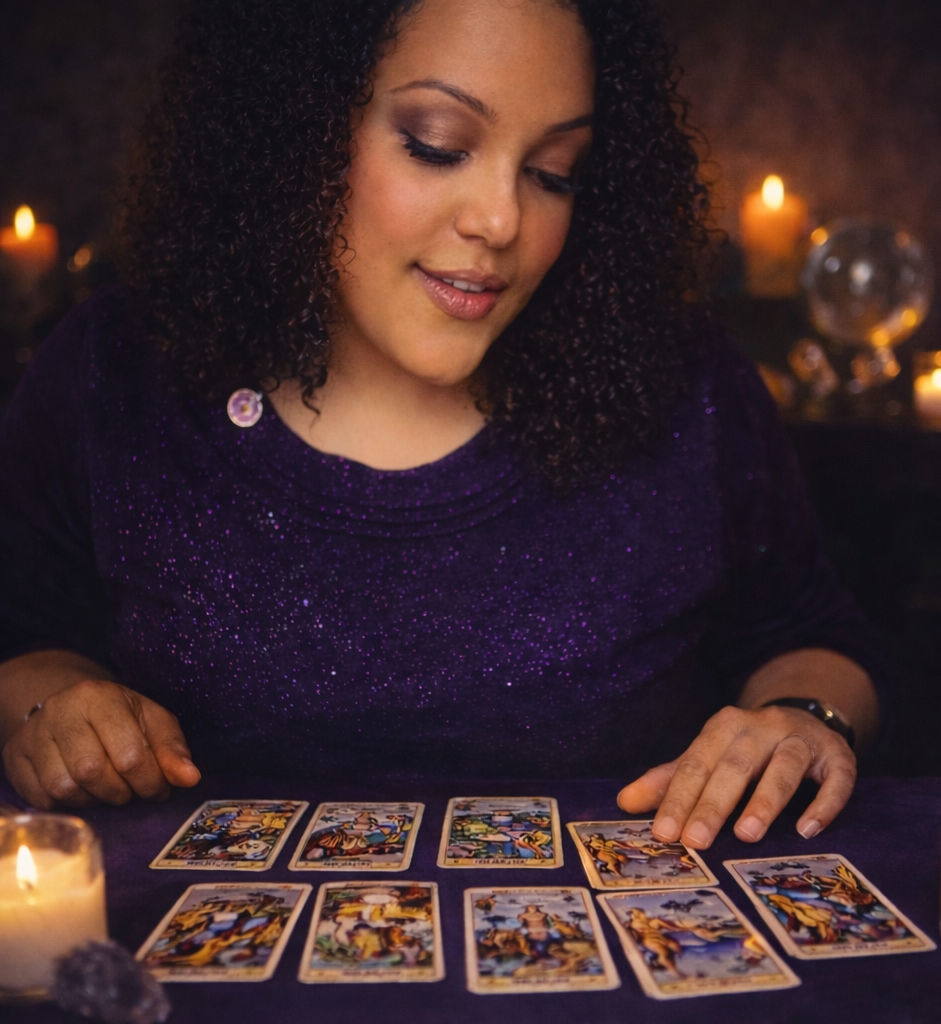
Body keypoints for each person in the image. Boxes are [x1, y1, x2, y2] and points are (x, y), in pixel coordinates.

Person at [0, 0, 885, 850]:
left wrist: (801, 723)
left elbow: (813, 640)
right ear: (295, 126)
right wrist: (58, 705)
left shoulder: (682, 375)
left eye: (553, 173)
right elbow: (21, 641)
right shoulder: (111, 367)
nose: (501, 220)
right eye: (438, 147)